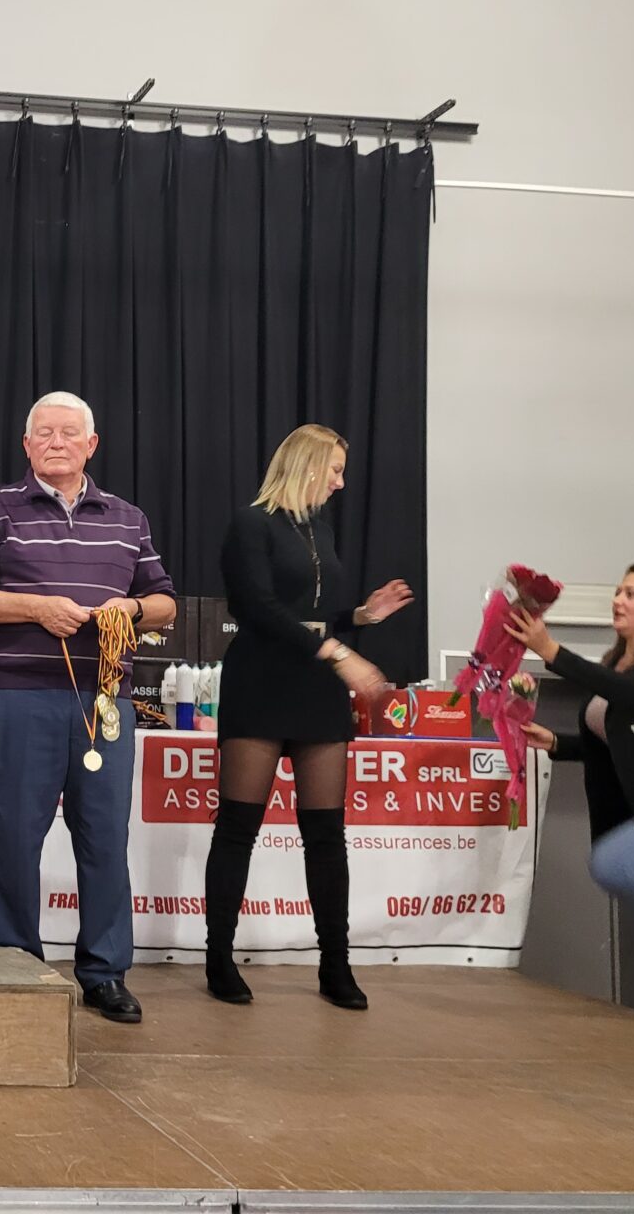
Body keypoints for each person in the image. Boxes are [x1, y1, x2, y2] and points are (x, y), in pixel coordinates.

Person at [0, 392, 176, 1023]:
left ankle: (104, 972)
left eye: (69, 433)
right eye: (43, 433)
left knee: (104, 840)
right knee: (14, 839)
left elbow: (164, 603)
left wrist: (132, 608)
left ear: (90, 445)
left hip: (104, 701)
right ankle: (16, 964)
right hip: (19, 699)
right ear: (26, 446)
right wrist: (36, 608)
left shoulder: (127, 518)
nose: (56, 442)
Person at [201, 425, 413, 1012]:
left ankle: (334, 964)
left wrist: (360, 617)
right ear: (308, 465)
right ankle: (219, 957)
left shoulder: (320, 527)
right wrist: (339, 653)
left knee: (325, 834)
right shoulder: (252, 524)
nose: (341, 483)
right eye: (335, 470)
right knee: (239, 827)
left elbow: (313, 615)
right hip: (261, 681)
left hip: (315, 687)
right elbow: (258, 608)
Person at [510, 564, 634, 1026]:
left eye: (632, 594)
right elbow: (625, 743)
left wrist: (551, 651)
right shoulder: (616, 665)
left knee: (614, 864)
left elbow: (631, 694)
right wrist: (558, 744)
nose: (618, 600)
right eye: (618, 592)